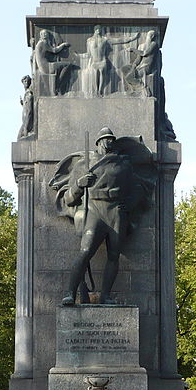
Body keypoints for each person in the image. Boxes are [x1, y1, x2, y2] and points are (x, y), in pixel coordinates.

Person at [50, 127, 154, 305]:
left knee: (114, 255)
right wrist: (79, 185)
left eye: (111, 139)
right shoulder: (84, 165)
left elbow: (137, 189)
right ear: (98, 142)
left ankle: (105, 295)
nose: (109, 142)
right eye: (105, 139)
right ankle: (70, 292)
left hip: (116, 211)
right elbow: (69, 198)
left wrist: (129, 204)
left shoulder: (123, 163)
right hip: (94, 209)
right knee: (85, 252)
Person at [85, 25, 138, 96]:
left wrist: (131, 38)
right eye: (97, 29)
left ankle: (100, 91)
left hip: (102, 61)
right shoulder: (89, 41)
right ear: (94, 30)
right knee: (95, 72)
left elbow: (118, 40)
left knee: (101, 71)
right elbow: (88, 54)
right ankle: (96, 91)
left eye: (99, 29)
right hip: (94, 62)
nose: (98, 31)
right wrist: (78, 55)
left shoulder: (105, 40)